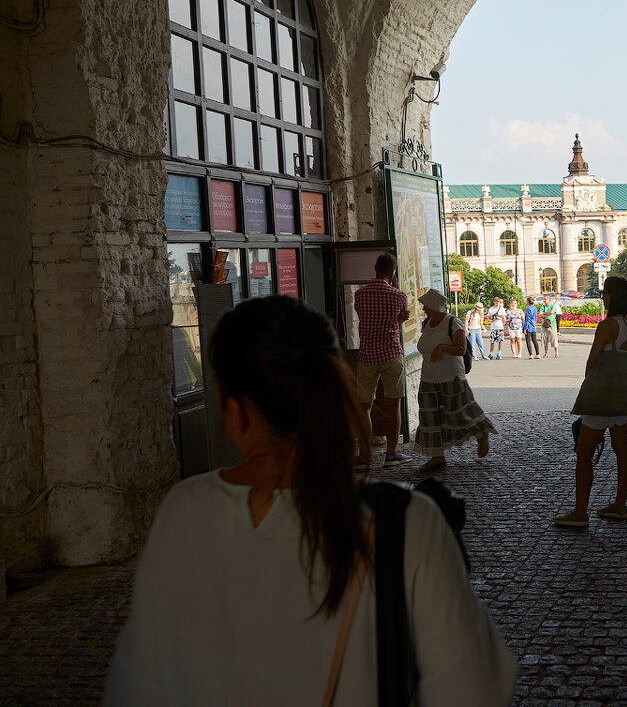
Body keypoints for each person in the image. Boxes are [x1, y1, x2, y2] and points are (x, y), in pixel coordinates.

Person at [103, 296, 517, 706]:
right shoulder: (407, 523)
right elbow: (473, 691)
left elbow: (138, 684)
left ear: (236, 413)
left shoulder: (184, 513)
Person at [554, 276, 627, 528]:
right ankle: (619, 505)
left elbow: (591, 362)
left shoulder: (607, 326)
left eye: (604, 293)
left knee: (584, 454)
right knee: (623, 452)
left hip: (601, 397)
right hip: (624, 397)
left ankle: (580, 512)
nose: (602, 296)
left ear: (613, 296)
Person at [414, 289, 498, 473]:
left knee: (462, 410)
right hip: (429, 377)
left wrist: (442, 347)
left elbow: (460, 349)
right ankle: (437, 456)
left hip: (451, 375)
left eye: (426, 306)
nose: (425, 309)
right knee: (430, 417)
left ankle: (481, 433)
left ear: (435, 306)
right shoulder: (427, 323)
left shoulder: (453, 322)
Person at [352, 253, 410, 468]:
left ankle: (365, 455)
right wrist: (398, 318)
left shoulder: (360, 294)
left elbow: (366, 319)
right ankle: (391, 454)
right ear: (392, 272)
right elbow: (398, 320)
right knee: (393, 405)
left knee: (364, 406)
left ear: (375, 267)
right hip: (391, 354)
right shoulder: (399, 296)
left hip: (367, 355)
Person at [540, 294, 559, 358]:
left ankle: (556, 353)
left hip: (552, 325)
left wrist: (544, 314)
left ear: (549, 300)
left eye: (546, 299)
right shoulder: (543, 307)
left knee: (554, 339)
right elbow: (540, 315)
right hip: (544, 325)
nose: (544, 300)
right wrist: (548, 314)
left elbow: (552, 312)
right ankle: (546, 353)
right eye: (544, 299)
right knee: (545, 339)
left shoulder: (553, 306)